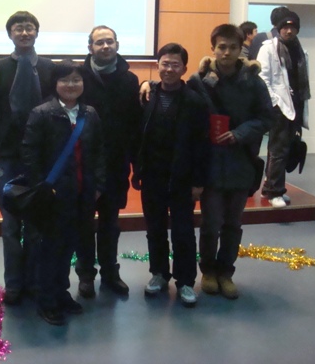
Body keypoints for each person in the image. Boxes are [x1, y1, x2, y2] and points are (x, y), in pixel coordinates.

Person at [187, 24, 272, 299]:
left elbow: (266, 118)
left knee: (233, 224)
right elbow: (180, 102)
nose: (226, 52)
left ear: (240, 49)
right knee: (211, 224)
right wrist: (147, 84)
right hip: (210, 164)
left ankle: (226, 272)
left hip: (241, 162)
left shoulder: (253, 82)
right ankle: (208, 272)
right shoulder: (199, 80)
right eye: (221, 47)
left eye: (233, 47)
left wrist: (240, 133)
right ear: (213, 48)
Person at [22, 61, 105, 325]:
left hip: (82, 193)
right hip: (53, 195)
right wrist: (43, 188)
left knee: (69, 246)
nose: (71, 85)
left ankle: (62, 293)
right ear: (55, 84)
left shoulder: (90, 114)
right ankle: (46, 300)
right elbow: (30, 155)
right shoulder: (41, 113)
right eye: (65, 80)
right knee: (50, 249)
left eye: (76, 80)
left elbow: (99, 152)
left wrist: (98, 186)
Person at [0, 11, 55, 305]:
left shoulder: (49, 68)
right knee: (10, 225)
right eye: (18, 28)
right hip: (7, 156)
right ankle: (13, 284)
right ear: (9, 34)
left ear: (37, 32)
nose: (24, 33)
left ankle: (35, 281)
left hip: (41, 157)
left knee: (37, 223)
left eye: (29, 28)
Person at [132, 43, 210, 307]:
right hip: (152, 175)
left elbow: (202, 145)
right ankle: (159, 274)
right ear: (158, 65)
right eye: (165, 64)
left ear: (184, 69)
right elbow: (138, 136)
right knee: (154, 229)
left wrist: (198, 181)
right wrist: (138, 170)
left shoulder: (195, 102)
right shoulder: (147, 96)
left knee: (183, 231)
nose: (169, 69)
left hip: (182, 178)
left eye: (175, 65)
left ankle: (185, 281)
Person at [76, 25, 142, 298]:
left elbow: (135, 125)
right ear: (90, 47)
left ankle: (110, 272)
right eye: (99, 42)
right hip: (82, 163)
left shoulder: (130, 80)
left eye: (109, 41)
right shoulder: (77, 77)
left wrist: (136, 165)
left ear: (117, 44)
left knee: (110, 223)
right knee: (83, 222)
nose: (105, 46)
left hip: (116, 163)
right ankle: (85, 275)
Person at [257, 12, 310, 208]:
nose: (289, 31)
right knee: (278, 150)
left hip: (295, 105)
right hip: (279, 107)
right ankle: (274, 191)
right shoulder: (269, 49)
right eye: (285, 27)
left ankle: (271, 187)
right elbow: (262, 78)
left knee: (286, 149)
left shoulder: (300, 50)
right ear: (279, 29)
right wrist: (275, 102)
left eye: (292, 27)